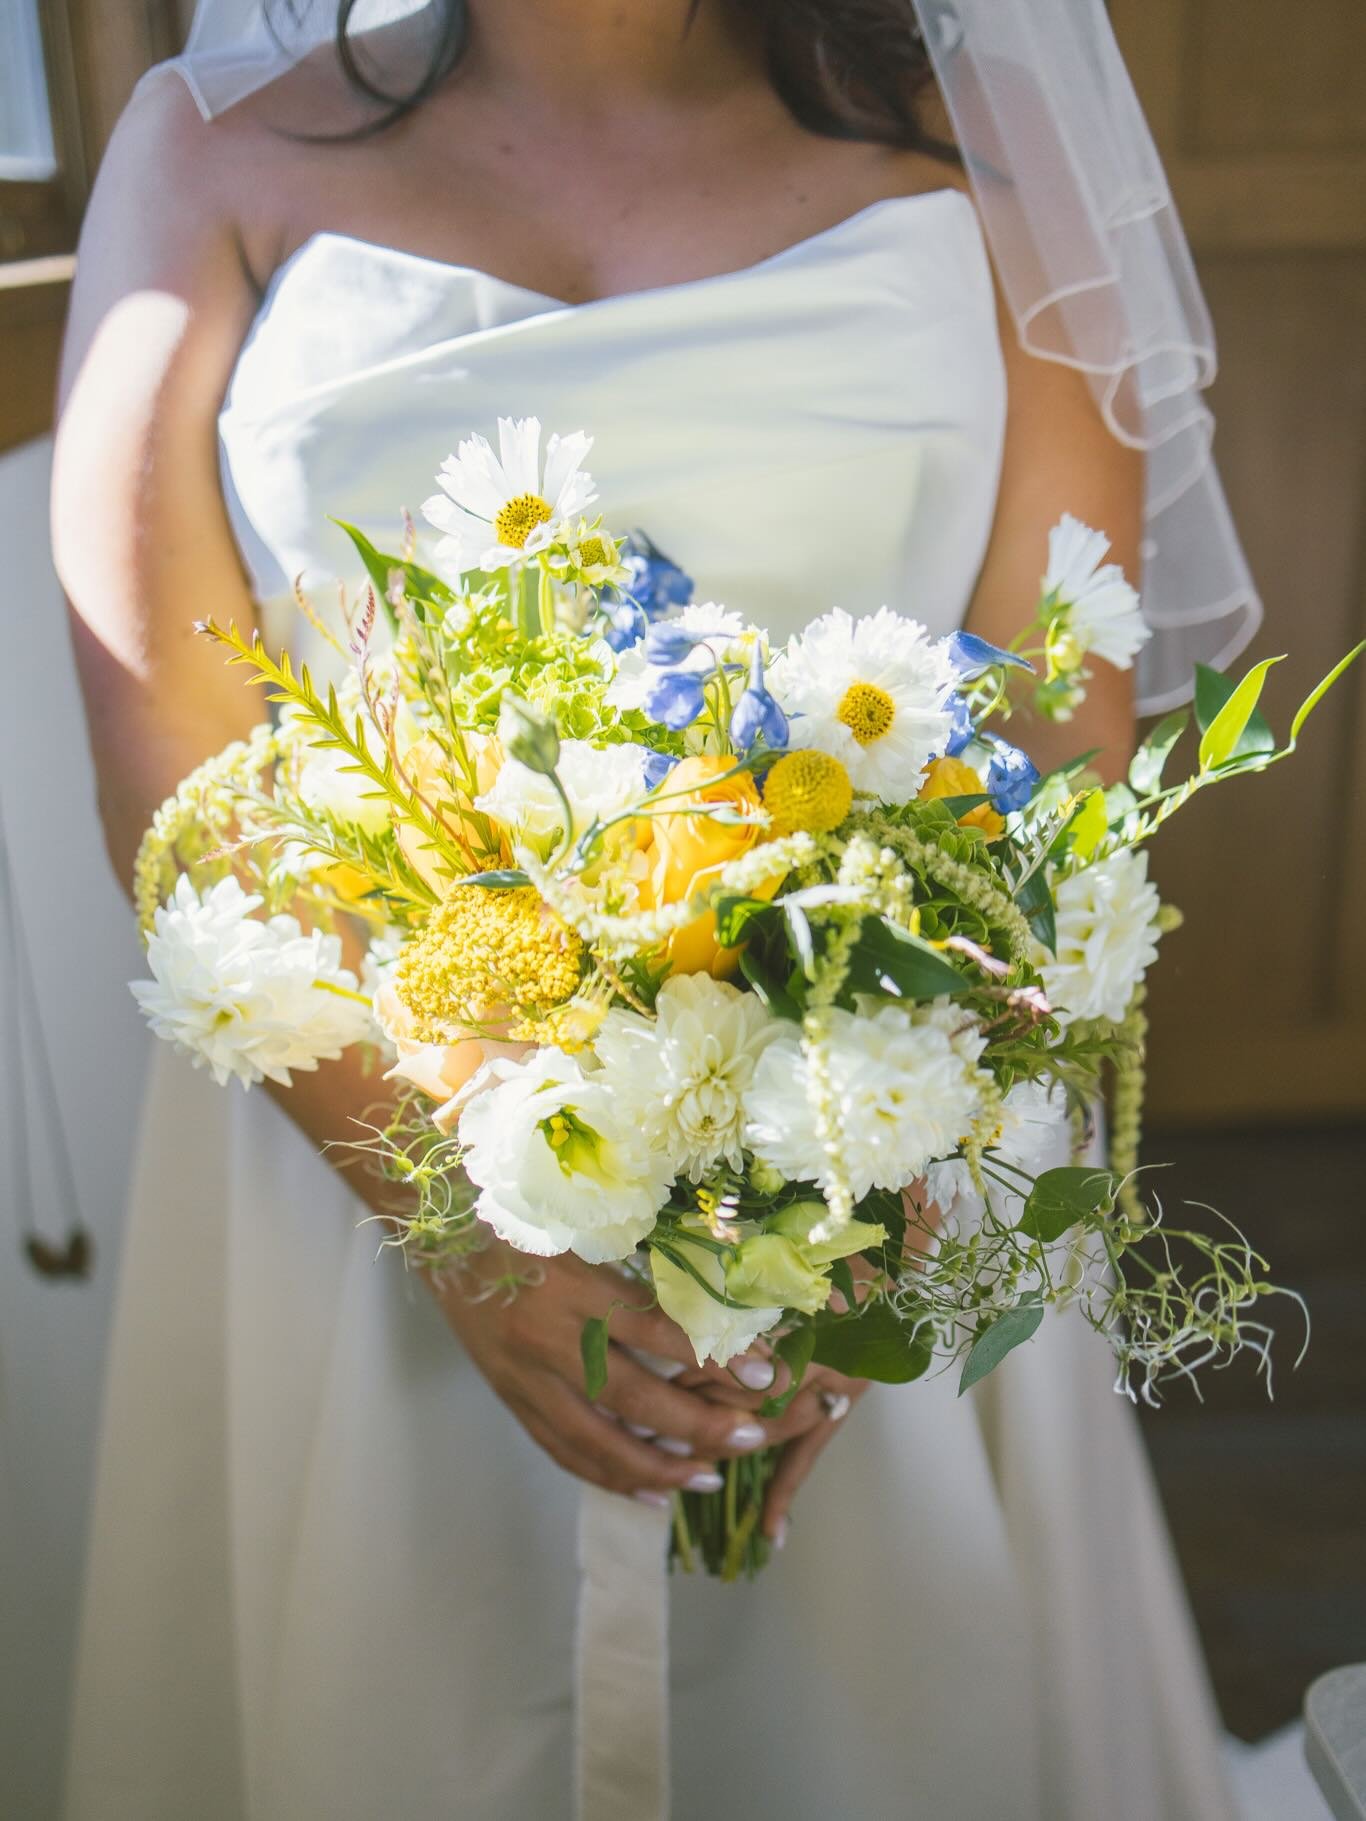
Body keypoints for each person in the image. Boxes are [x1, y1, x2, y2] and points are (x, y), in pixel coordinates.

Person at [53, 3, 1239, 1815]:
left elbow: (1055, 714)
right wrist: (459, 1222)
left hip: (893, 1146)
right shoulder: (201, 155)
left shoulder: (988, 146)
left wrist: (857, 1190)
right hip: (376, 1144)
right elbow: (177, 761)